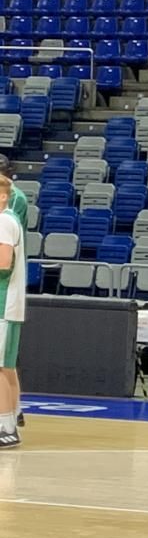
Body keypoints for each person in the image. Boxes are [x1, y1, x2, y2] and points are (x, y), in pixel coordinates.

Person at [0, 155, 26, 432]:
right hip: (7, 301)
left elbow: (3, 262)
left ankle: (6, 427)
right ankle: (9, 419)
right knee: (5, 365)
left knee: (1, 367)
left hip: (3, 302)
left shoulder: (4, 221)